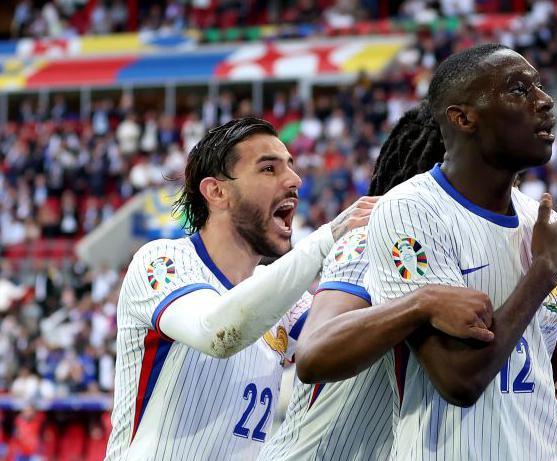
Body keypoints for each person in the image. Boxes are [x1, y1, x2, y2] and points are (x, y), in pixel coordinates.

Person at [261, 103, 557, 459]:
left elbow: (554, 389)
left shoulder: (515, 247)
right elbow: (314, 354)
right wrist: (421, 302)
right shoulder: (373, 237)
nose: (506, 193)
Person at [363, 44, 557, 459]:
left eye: (540, 87)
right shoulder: (410, 211)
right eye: (518, 90)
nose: (544, 101)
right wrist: (543, 269)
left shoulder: (546, 228)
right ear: (463, 118)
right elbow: (459, 379)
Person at [104, 117, 376, 460]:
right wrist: (328, 238)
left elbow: (342, 341)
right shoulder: (161, 262)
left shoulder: (281, 297)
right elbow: (217, 332)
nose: (294, 180)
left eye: (290, 167)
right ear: (217, 192)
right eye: (268, 169)